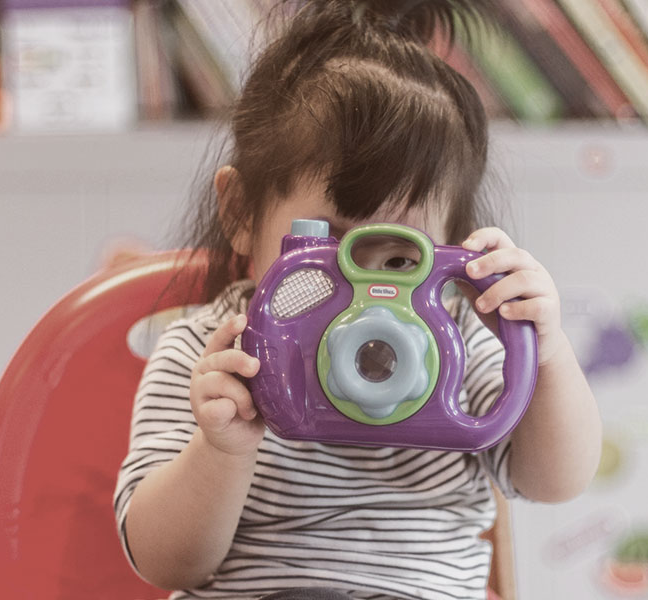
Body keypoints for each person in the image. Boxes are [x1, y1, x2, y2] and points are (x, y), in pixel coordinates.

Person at [115, 1, 601, 597]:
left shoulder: (456, 342)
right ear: (242, 212)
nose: (366, 293)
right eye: (331, 249)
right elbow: (165, 563)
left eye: (402, 260)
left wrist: (544, 355)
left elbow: (554, 481)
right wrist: (221, 451)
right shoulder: (209, 355)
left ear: (452, 249)